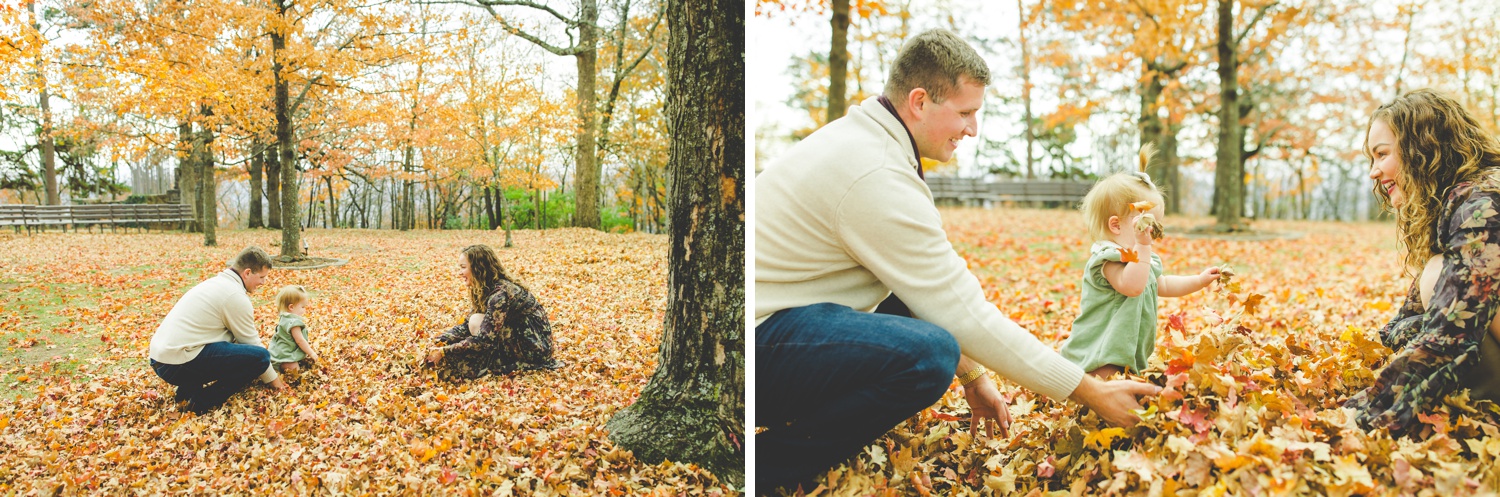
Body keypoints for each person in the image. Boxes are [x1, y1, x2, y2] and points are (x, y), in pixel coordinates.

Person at [754, 29, 1160, 491]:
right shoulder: (875, 173)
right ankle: (767, 468)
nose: (972, 129)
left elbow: (919, 291)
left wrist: (973, 376)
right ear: (920, 101)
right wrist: (1091, 392)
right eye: (965, 112)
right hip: (746, 354)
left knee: (921, 321)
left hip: (769, 324)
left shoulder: (866, 141)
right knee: (929, 354)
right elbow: (964, 313)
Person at [1345, 88, 1500, 434]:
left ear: (1423, 147)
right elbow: (1417, 314)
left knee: (1438, 275)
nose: (1374, 172)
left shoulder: (1482, 202)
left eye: (1382, 155)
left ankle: (1484, 408)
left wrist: (1367, 411)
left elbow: (1453, 328)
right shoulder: (1467, 197)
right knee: (1437, 275)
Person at [1059, 167, 1222, 378]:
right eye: (1146, 226)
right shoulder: (1108, 258)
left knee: (1130, 383)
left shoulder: (1143, 258)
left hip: (1126, 348)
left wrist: (1199, 281)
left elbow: (1162, 284)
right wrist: (1143, 246)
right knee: (1108, 385)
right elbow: (1132, 286)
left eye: (1155, 227)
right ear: (1116, 225)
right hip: (1101, 349)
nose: (1151, 234)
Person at [149, 246, 287, 413]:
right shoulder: (234, 296)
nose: (263, 283)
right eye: (262, 277)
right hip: (176, 363)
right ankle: (203, 400)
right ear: (247, 272)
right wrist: (275, 383)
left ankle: (187, 390)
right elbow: (253, 345)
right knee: (260, 358)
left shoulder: (215, 283)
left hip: (161, 359)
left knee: (229, 348)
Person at [424, 244, 562, 378]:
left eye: (463, 267)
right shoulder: (486, 288)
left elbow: (485, 340)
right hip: (520, 336)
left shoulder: (500, 295)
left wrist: (444, 352)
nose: (460, 273)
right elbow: (466, 326)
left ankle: (495, 359)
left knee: (476, 325)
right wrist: (440, 340)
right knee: (474, 321)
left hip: (535, 347)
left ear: (478, 268)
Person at [267, 285, 321, 374]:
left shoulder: (284, 317)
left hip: (278, 352)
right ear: (291, 307)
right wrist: (311, 353)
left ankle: (279, 366)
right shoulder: (294, 323)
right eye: (302, 307)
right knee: (296, 372)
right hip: (286, 355)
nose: (304, 310)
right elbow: (300, 341)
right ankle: (283, 366)